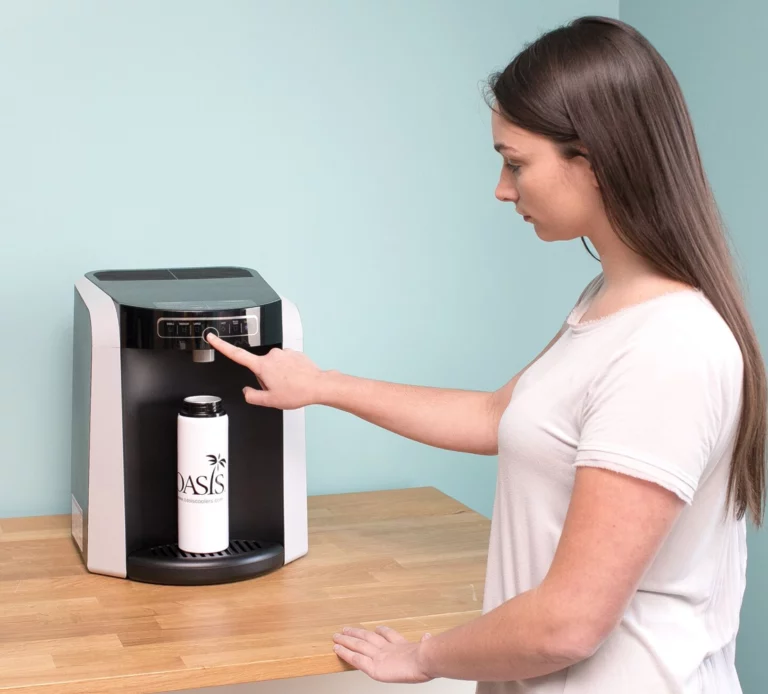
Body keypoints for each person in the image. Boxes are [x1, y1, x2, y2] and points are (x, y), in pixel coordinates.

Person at [206, 15, 767, 694]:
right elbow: (499, 415)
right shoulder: (610, 303)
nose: (503, 188)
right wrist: (320, 384)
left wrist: (424, 657)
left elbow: (568, 624)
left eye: (516, 162)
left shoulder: (668, 349)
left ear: (593, 159)